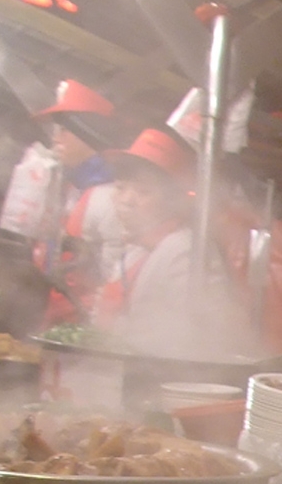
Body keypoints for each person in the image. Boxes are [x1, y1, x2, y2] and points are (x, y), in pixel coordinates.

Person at [104, 127, 246, 358]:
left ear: (172, 201)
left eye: (143, 192)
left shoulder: (186, 251)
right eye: (120, 188)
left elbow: (210, 336)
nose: (126, 201)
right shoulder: (136, 249)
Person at [31, 79, 125, 322]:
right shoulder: (76, 189)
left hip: (83, 335)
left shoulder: (108, 198)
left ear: (88, 135)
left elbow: (114, 283)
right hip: (60, 323)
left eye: (63, 130)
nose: (55, 140)